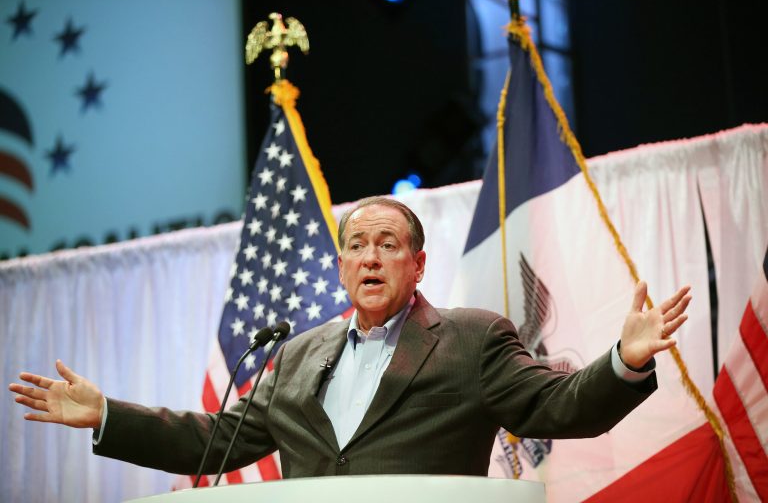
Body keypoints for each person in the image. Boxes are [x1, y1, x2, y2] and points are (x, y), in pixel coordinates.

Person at [9, 196, 691, 477]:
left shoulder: (471, 340)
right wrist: (107, 416)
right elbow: (213, 442)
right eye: (356, 245)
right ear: (339, 267)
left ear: (417, 264)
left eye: (387, 244)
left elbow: (561, 406)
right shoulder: (299, 355)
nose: (369, 257)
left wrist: (623, 361)